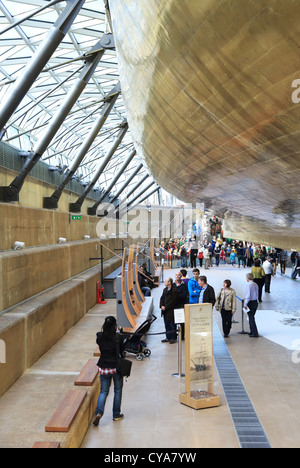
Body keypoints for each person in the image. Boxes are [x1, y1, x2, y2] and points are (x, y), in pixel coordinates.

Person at [93, 316, 125, 426]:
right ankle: (116, 414)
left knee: (103, 391)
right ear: (115, 326)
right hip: (116, 367)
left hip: (104, 367)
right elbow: (122, 351)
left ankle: (99, 413)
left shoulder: (100, 337)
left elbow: (98, 336)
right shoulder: (117, 337)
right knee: (117, 391)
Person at [160, 277, 178, 344]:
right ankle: (168, 337)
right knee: (166, 324)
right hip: (165, 311)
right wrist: (161, 306)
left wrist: (166, 307)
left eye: (166, 281)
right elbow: (162, 298)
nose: (165, 282)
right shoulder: (165, 289)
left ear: (169, 282)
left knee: (172, 324)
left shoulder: (174, 290)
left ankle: (173, 337)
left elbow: (173, 301)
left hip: (171, 310)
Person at [244, 273, 259, 338]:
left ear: (248, 278)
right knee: (251, 317)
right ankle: (252, 331)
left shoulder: (249, 285)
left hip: (250, 302)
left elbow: (248, 296)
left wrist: (245, 303)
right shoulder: (255, 284)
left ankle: (254, 332)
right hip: (255, 301)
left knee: (251, 318)